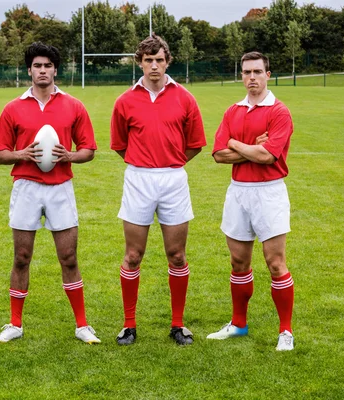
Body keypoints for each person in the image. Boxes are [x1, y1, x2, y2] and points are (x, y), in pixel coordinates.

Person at [0, 42, 100, 344]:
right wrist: (22, 154)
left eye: (48, 66)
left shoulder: (73, 105)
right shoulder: (13, 108)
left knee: (68, 256)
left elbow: (89, 150)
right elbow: (0, 154)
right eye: (37, 66)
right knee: (22, 256)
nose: (43, 70)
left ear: (55, 70)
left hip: (61, 188)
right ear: (29, 70)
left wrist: (70, 157)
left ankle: (82, 325)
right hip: (25, 187)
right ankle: (14, 324)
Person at [110, 34, 206, 346]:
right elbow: (120, 145)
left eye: (159, 60)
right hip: (138, 179)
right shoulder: (125, 101)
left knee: (176, 255)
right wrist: (144, 163)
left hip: (174, 179)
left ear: (168, 62)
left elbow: (194, 144)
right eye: (148, 60)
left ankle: (178, 325)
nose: (154, 66)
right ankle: (129, 325)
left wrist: (170, 163)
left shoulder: (185, 98)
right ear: (140, 62)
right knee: (133, 255)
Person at [208, 51, 295, 351]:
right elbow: (219, 155)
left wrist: (235, 143)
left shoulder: (279, 111)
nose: (252, 78)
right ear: (241, 75)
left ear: (268, 75)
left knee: (275, 263)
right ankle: (239, 324)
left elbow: (268, 156)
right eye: (247, 72)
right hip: (238, 191)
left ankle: (285, 331)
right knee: (238, 262)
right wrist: (248, 147)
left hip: (269, 192)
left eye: (257, 72)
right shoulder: (233, 111)